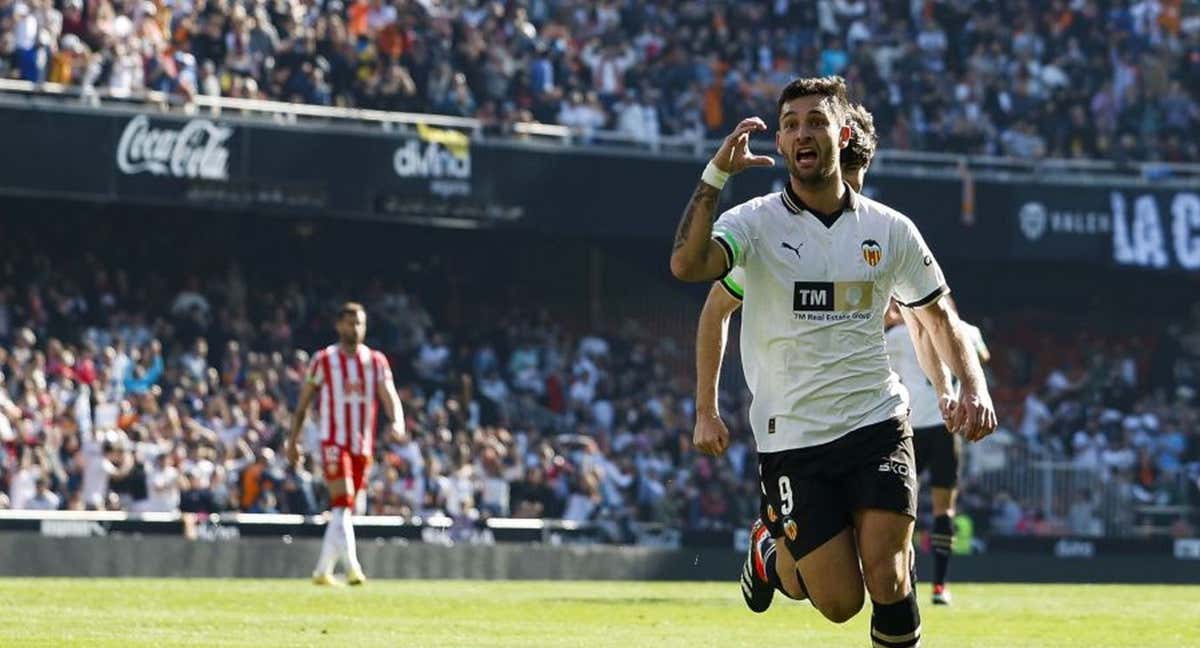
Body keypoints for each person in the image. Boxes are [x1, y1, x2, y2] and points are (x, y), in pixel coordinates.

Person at [670, 76, 996, 647]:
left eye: (815, 121)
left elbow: (939, 316)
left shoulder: (889, 229)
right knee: (840, 603)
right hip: (793, 438)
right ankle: (771, 553)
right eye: (790, 123)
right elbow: (687, 267)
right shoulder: (754, 225)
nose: (802, 133)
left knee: (890, 576)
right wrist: (714, 176)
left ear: (842, 134)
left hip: (877, 423)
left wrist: (974, 387)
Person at [286, 302, 405, 586]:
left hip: (362, 445)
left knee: (345, 508)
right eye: (350, 323)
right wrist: (293, 441)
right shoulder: (324, 360)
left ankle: (321, 571)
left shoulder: (376, 361)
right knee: (343, 500)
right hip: (333, 442)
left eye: (360, 323)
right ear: (339, 325)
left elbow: (389, 395)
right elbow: (303, 404)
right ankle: (353, 567)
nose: (355, 329)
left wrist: (398, 421)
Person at [884, 297, 990, 605]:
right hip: (948, 426)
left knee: (900, 505)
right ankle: (940, 587)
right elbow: (983, 355)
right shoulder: (967, 331)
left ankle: (901, 578)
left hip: (912, 426)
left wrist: (891, 320)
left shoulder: (899, 336)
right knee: (945, 509)